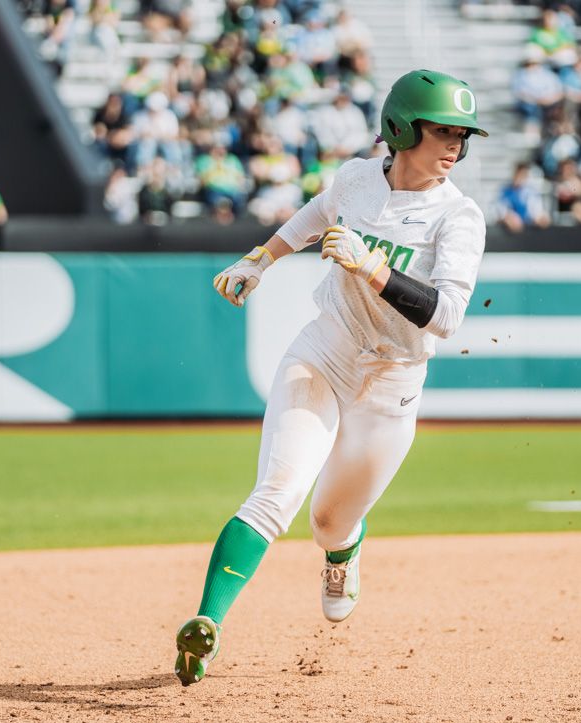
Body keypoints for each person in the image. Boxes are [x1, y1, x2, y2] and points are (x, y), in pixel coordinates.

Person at [174, 69, 488, 686]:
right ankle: (205, 628)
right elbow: (316, 214)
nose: (454, 146)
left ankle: (344, 549)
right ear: (400, 129)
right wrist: (260, 259)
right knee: (277, 492)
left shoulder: (459, 216)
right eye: (441, 131)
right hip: (327, 348)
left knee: (328, 523)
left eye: (462, 135)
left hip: (393, 381)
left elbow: (447, 316)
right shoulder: (356, 178)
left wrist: (373, 268)